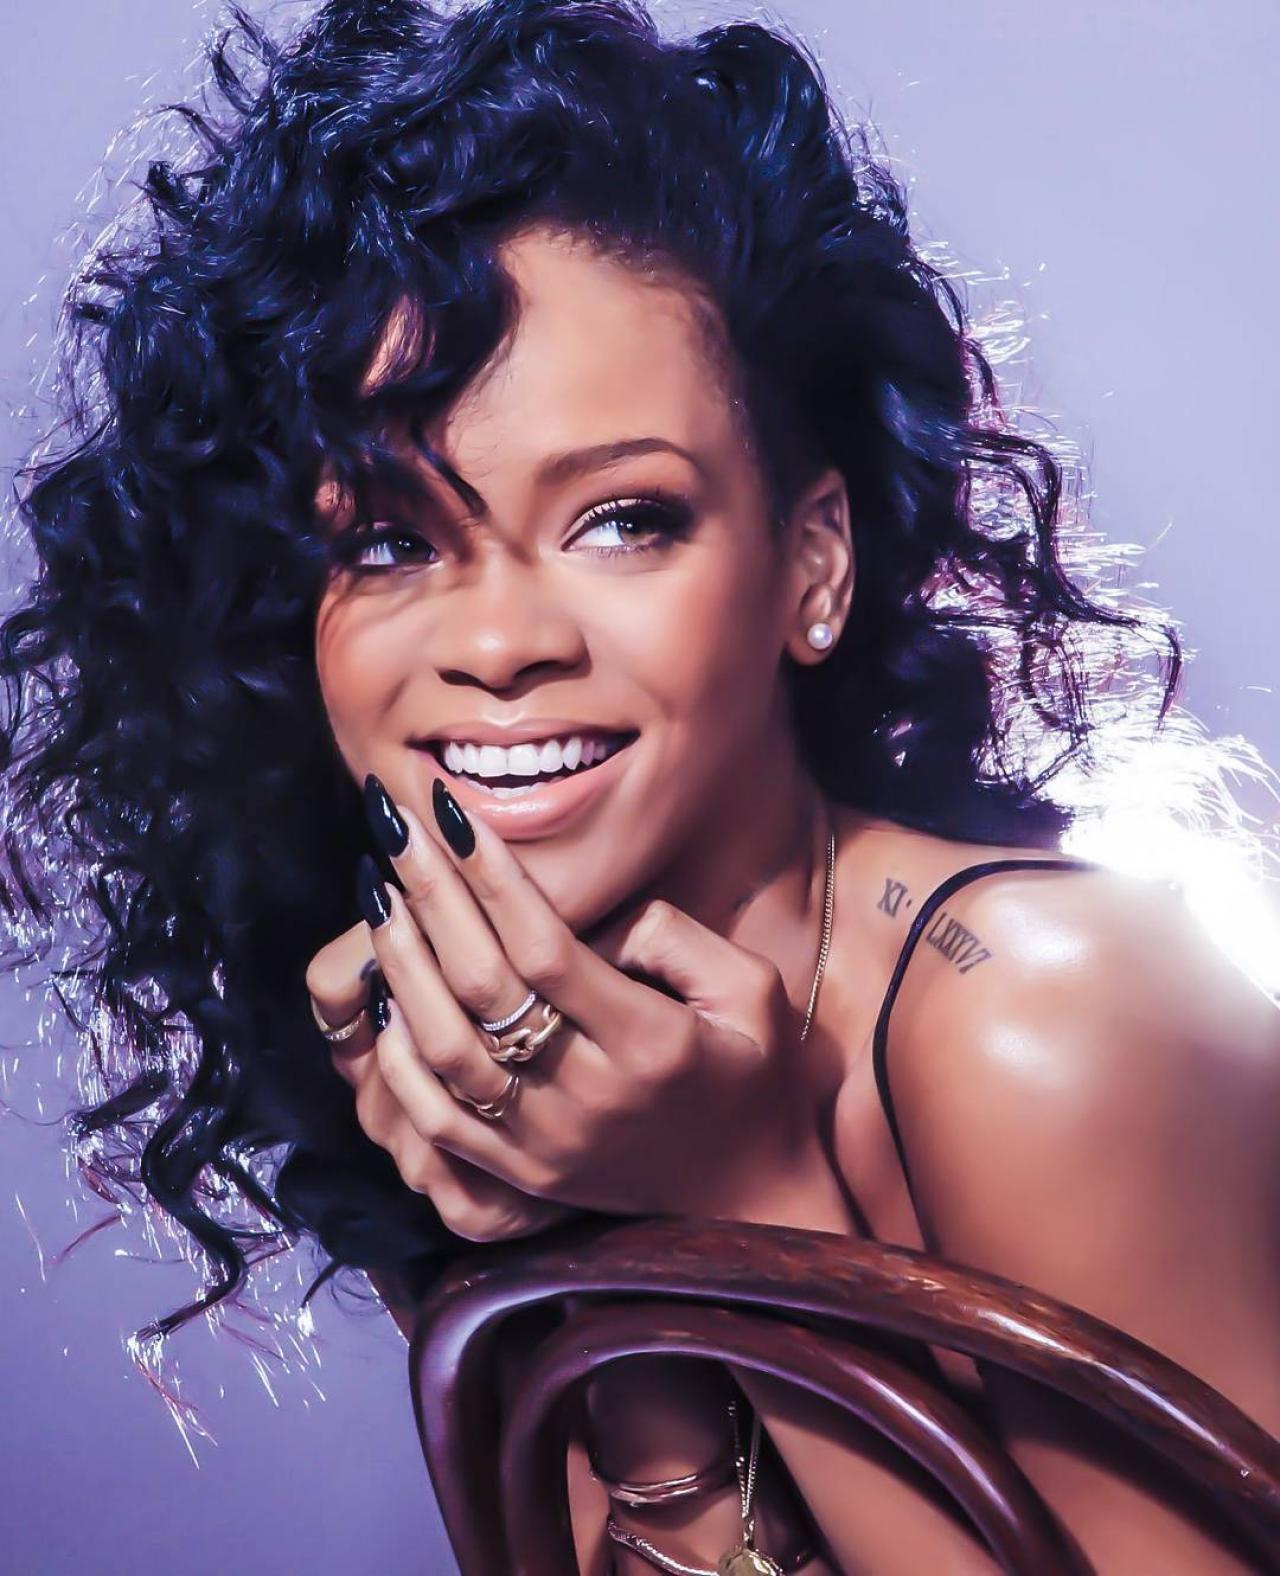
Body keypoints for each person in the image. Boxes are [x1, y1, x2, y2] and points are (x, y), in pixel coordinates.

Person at [1, 1, 1276, 1571]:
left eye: (623, 520)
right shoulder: (494, 1071)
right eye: (390, 541)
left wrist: (751, 1203)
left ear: (811, 564)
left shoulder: (1045, 1019)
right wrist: (607, 1264)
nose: (500, 644)